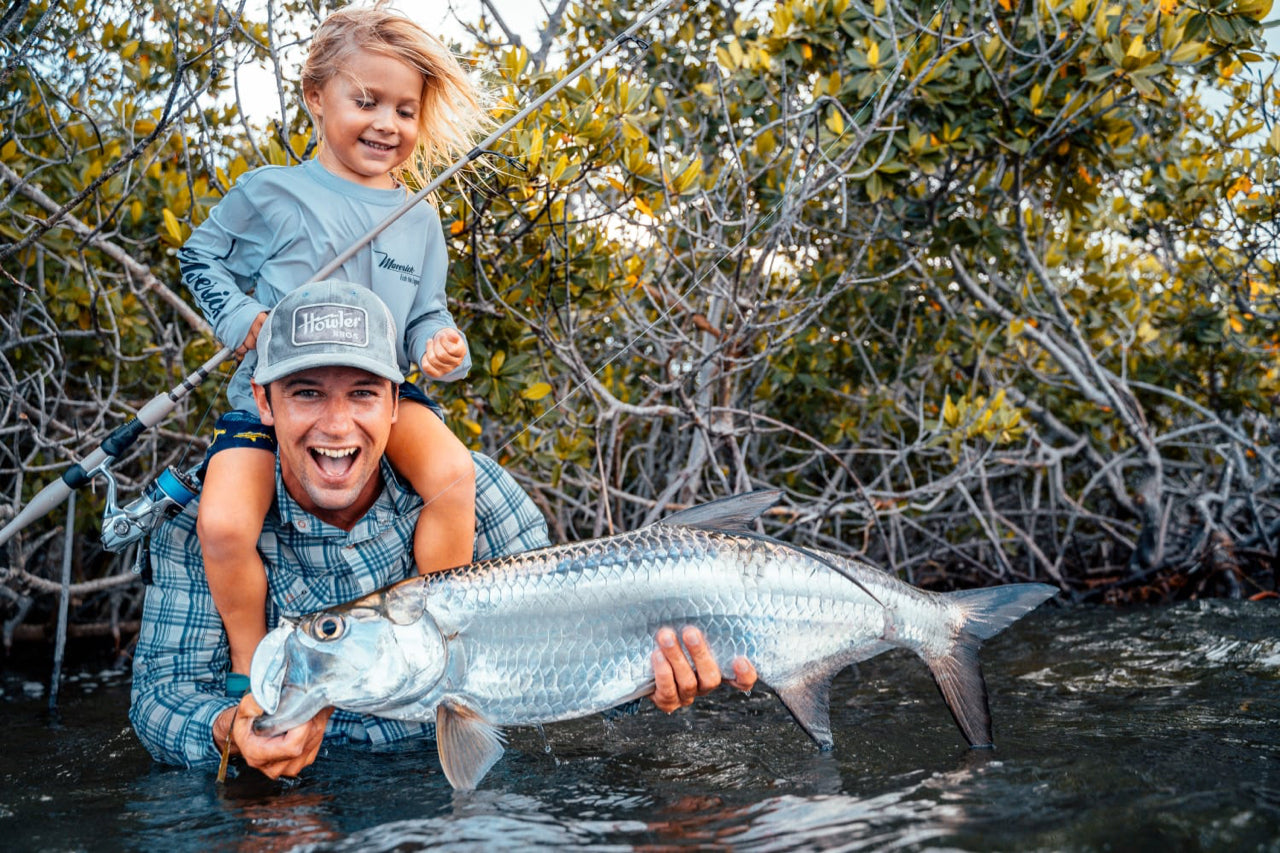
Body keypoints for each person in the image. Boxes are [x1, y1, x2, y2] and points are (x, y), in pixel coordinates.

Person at [129, 283, 758, 779]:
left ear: (397, 403)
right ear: (264, 404)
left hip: (449, 787)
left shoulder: (476, 492)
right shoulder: (202, 524)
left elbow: (566, 664)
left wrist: (657, 682)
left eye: (364, 394)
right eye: (307, 393)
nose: (338, 425)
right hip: (290, 800)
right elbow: (157, 698)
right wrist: (227, 733)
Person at [177, 3, 486, 679]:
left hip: (384, 399)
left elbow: (425, 312)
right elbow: (200, 258)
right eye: (367, 101)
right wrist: (239, 319)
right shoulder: (271, 192)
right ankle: (251, 668)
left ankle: (441, 641)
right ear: (316, 97)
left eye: (405, 111)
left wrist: (441, 343)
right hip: (275, 406)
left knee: (455, 474)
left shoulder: (419, 217)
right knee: (225, 523)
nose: (387, 124)